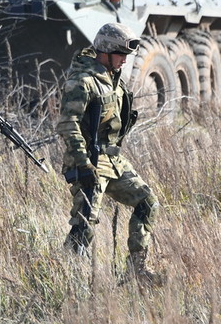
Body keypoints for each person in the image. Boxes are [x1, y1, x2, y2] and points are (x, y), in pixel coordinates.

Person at [57, 22, 163, 285]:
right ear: (104, 51)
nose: (125, 60)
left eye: (126, 55)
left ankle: (136, 271)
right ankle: (66, 278)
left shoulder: (112, 77)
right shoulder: (83, 81)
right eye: (120, 54)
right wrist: (83, 162)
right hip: (89, 160)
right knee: (85, 223)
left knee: (147, 202)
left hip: (112, 159)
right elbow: (67, 123)